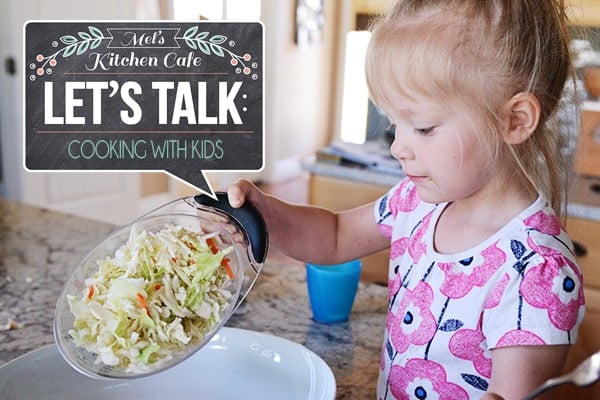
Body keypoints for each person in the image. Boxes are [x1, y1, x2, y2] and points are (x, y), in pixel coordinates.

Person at [227, 0, 586, 398]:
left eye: (422, 127)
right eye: (395, 125)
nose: (399, 147)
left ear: (515, 120)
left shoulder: (536, 271)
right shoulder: (418, 203)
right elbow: (335, 235)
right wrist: (265, 215)